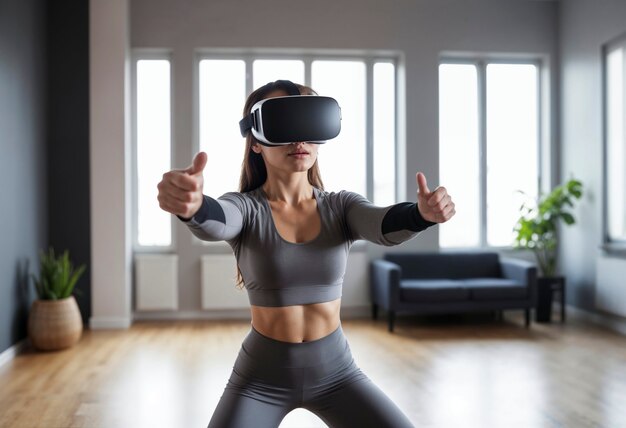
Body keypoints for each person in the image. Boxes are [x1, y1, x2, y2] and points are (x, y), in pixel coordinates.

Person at [157, 80, 455, 428]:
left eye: (310, 125)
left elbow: (382, 225)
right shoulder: (245, 208)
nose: (299, 141)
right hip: (260, 380)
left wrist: (421, 215)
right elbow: (217, 221)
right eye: (285, 125)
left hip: (337, 374)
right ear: (255, 141)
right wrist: (192, 207)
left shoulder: (341, 206)